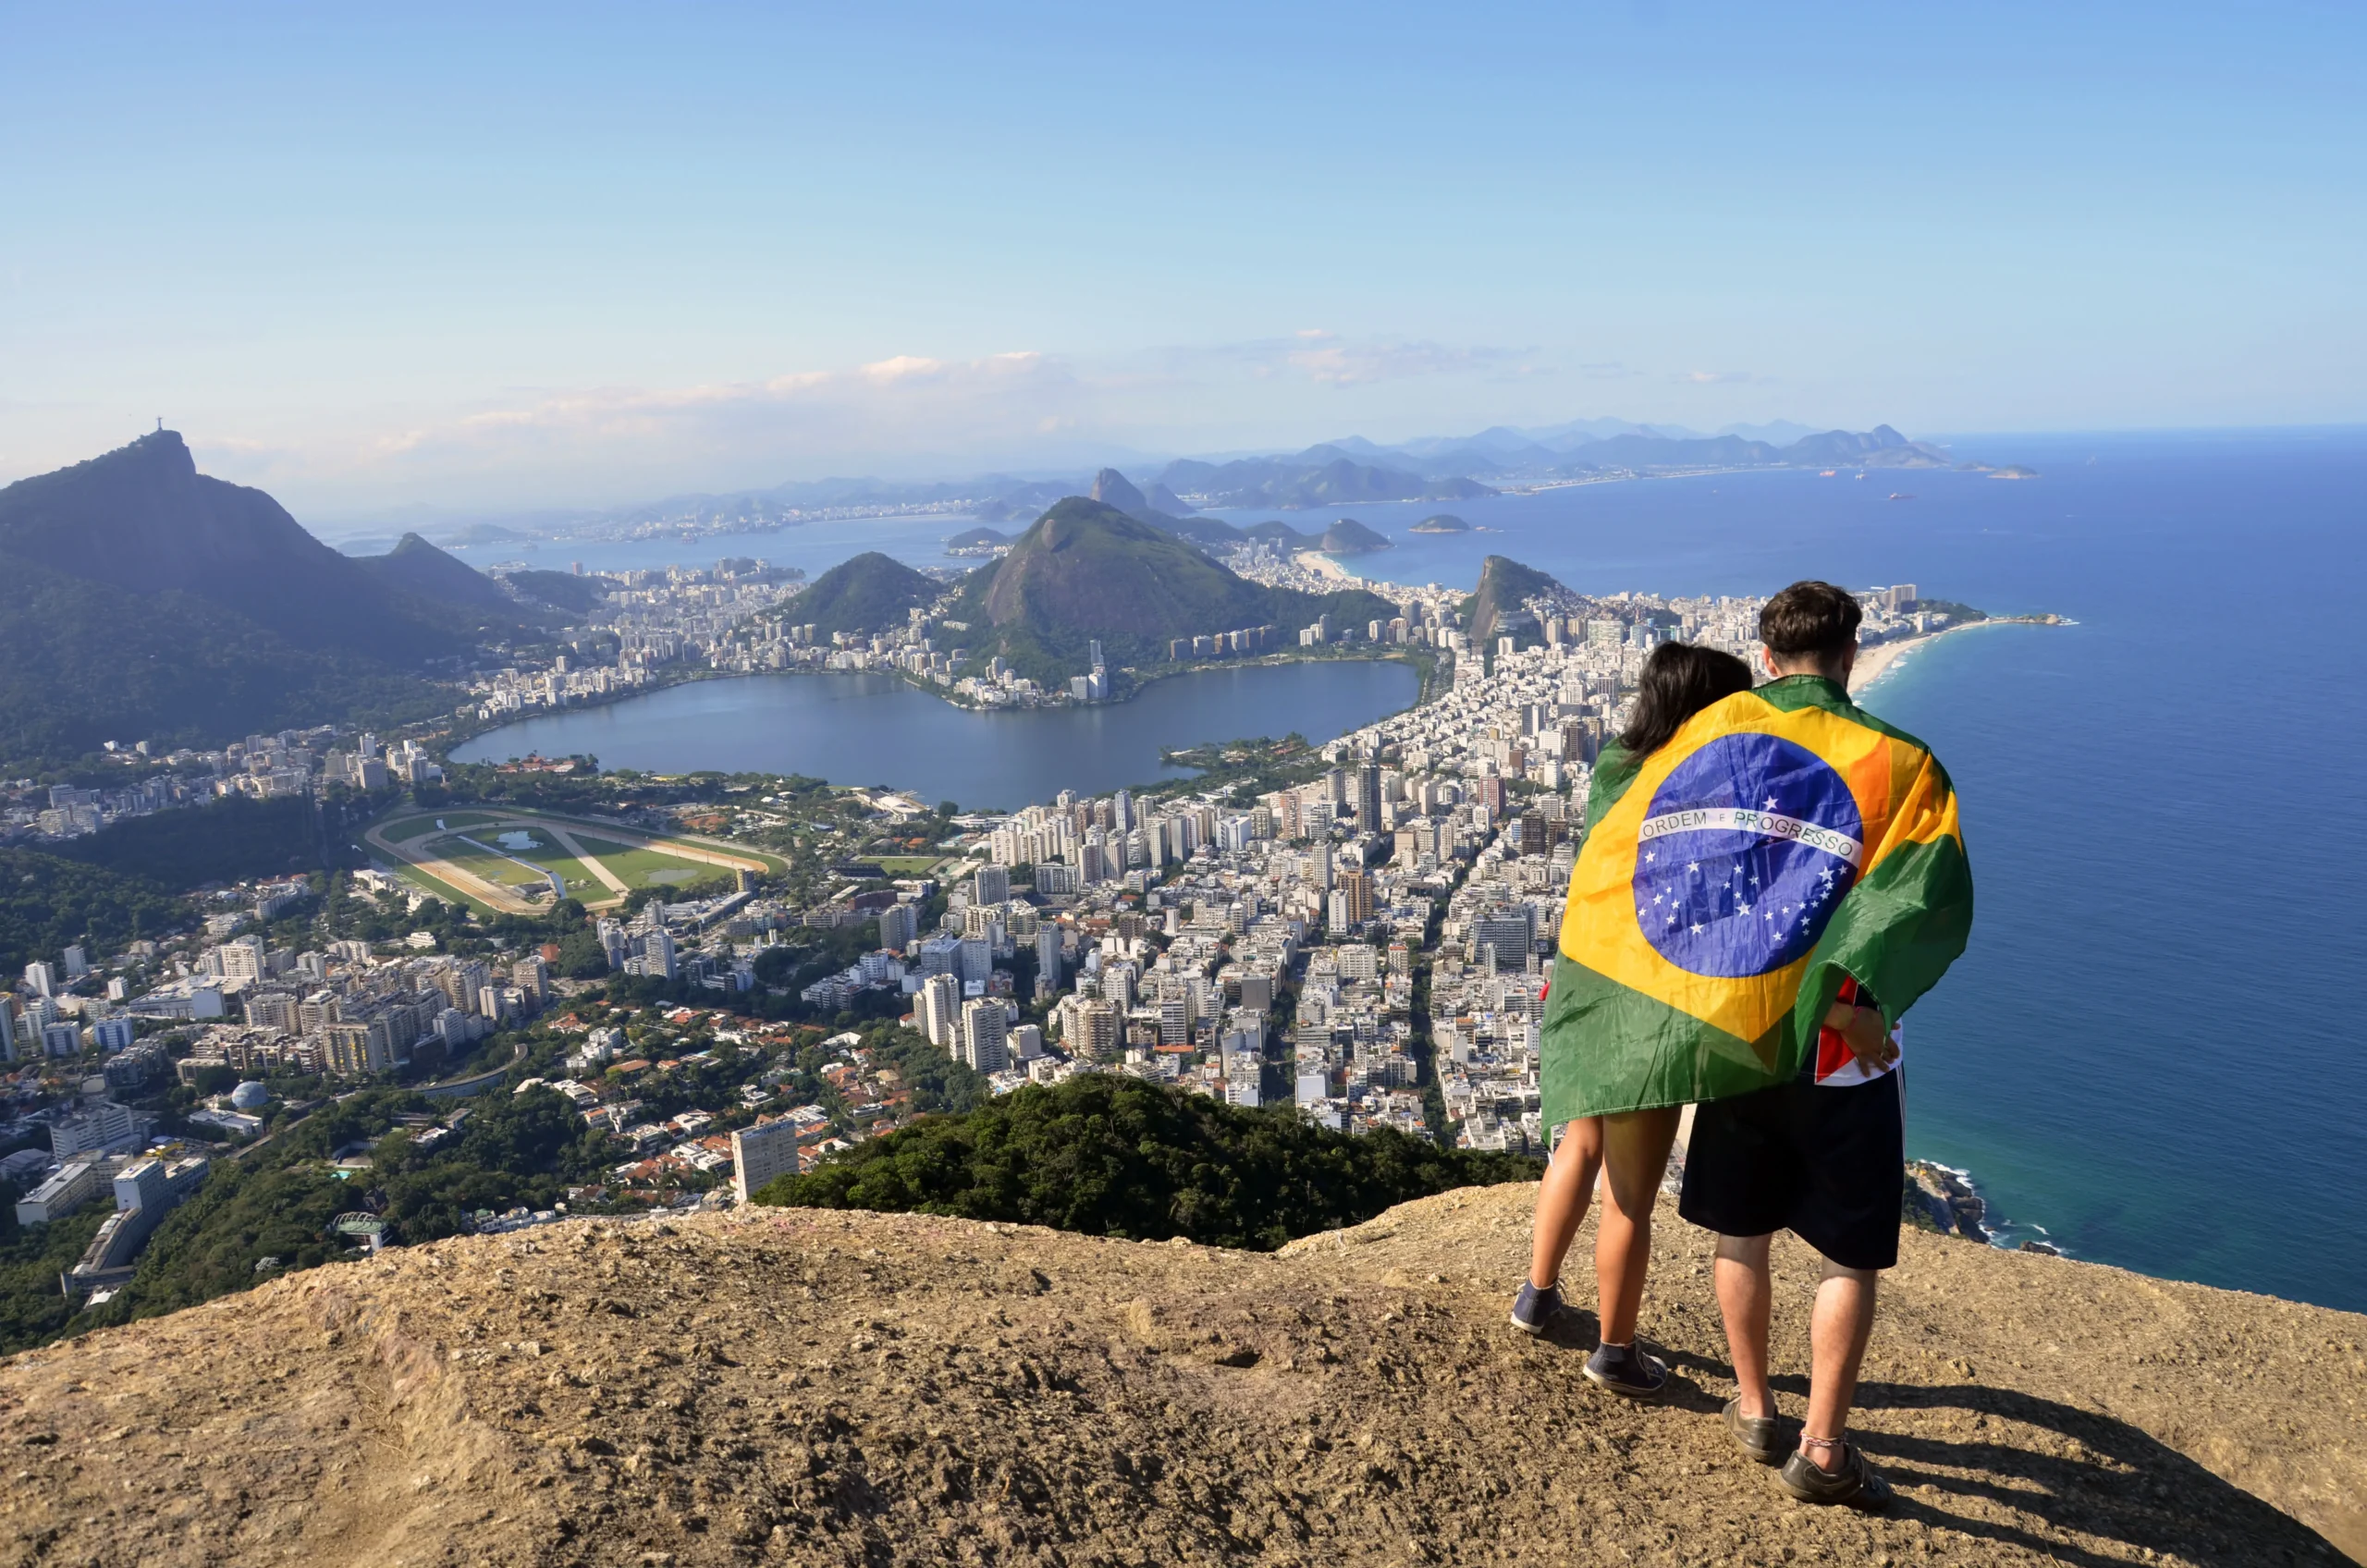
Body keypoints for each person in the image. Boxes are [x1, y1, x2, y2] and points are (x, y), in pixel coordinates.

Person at [1677, 580, 1975, 1511]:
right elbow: (1920, 900)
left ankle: (1755, 1407)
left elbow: (1674, 878)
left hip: (1738, 1029)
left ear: (1767, 659)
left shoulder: (1714, 748)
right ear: (1850, 655)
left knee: (1740, 1228)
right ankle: (1823, 1448)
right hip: (1841, 1053)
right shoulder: (1904, 763)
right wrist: (1854, 1011)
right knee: (1849, 1255)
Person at [1515, 642, 1754, 1403]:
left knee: (1579, 1141)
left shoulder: (1614, 767)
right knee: (1630, 1194)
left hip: (1586, 974)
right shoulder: (1714, 790)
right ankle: (1614, 1353)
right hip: (1650, 1000)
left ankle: (1536, 1296)